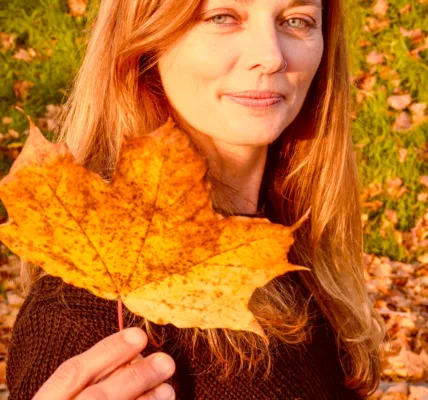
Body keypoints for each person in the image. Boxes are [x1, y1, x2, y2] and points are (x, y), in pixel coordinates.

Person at [5, 0, 388, 398]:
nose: (271, 57)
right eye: (222, 17)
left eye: (296, 20)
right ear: (144, 42)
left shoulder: (297, 256)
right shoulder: (85, 316)